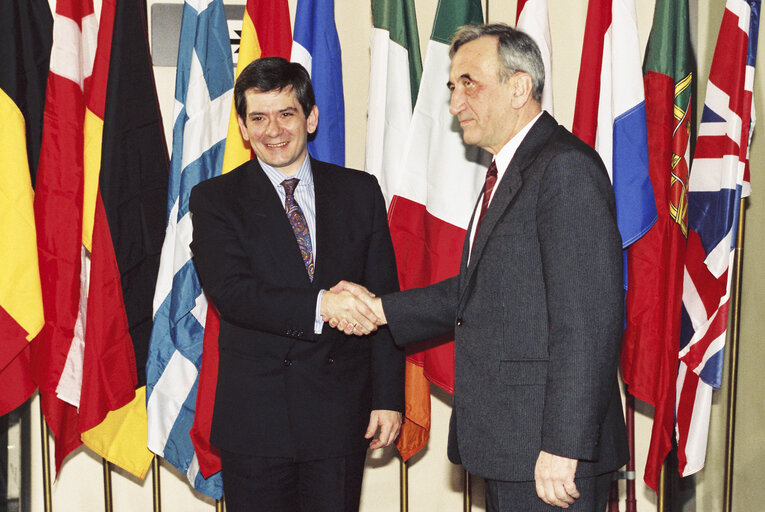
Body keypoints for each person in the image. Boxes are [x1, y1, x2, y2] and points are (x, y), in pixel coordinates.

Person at [331, 24, 628, 511]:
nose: (454, 103)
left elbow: (587, 325)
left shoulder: (564, 169)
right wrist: (379, 308)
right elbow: (477, 293)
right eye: (452, 87)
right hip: (512, 448)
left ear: (519, 87)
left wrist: (564, 446)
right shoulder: (510, 171)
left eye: (469, 82)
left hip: (549, 455)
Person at [189, 57, 404, 512]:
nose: (273, 130)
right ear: (244, 129)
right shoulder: (215, 199)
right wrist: (323, 304)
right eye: (258, 118)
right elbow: (232, 294)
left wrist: (388, 397)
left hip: (340, 415)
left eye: (286, 114)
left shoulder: (360, 191)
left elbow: (385, 300)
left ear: (310, 118)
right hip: (257, 421)